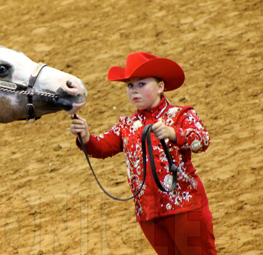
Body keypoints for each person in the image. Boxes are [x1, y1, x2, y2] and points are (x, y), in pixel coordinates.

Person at [70, 52, 216, 255]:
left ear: (160, 87)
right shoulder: (126, 125)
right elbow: (102, 146)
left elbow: (202, 140)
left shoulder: (180, 115)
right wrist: (85, 136)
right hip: (148, 214)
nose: (134, 91)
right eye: (130, 85)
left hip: (185, 208)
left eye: (141, 84)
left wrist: (174, 133)